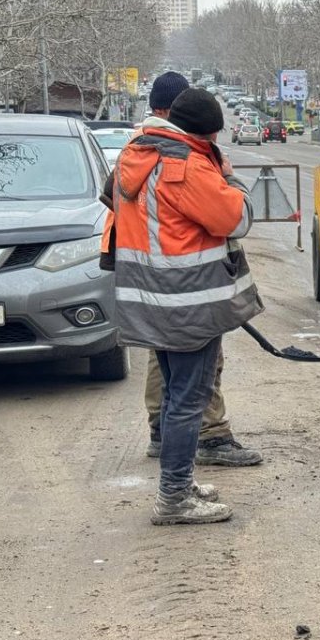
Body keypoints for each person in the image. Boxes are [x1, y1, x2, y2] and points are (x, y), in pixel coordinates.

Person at [113, 88, 265, 525]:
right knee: (187, 399)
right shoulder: (186, 166)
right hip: (187, 303)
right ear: (205, 132)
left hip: (153, 297)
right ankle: (175, 497)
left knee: (176, 393)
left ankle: (178, 482)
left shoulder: (140, 154)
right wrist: (231, 178)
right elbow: (236, 218)